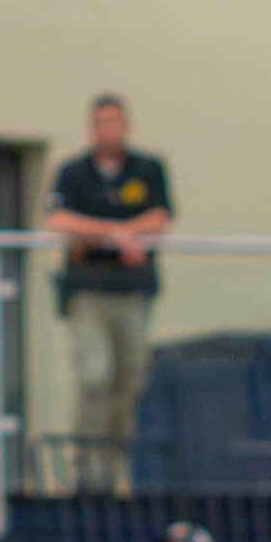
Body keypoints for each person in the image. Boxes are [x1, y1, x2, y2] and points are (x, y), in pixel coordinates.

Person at [43, 92, 173, 474]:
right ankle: (88, 468)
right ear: (92, 128)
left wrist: (117, 235)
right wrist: (116, 236)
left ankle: (119, 468)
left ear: (126, 125)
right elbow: (59, 221)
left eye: (115, 122)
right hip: (87, 290)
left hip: (131, 290)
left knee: (130, 377)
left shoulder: (148, 169)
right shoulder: (73, 172)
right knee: (95, 373)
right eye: (101, 123)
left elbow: (159, 218)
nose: (109, 130)